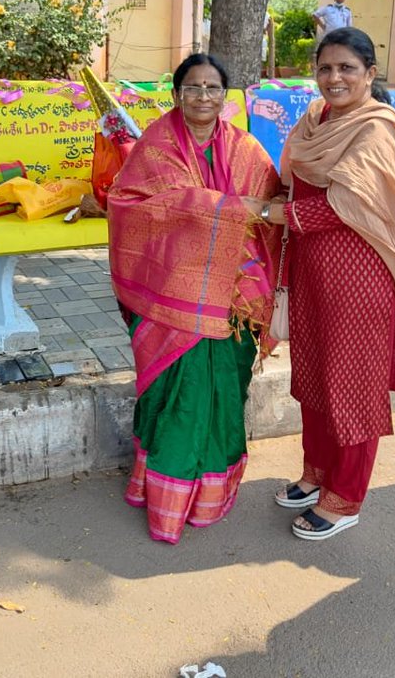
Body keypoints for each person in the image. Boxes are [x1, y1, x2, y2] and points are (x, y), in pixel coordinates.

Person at [258, 28, 395, 540]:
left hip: (360, 275)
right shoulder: (314, 120)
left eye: (347, 68)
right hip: (310, 270)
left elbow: (348, 206)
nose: (334, 78)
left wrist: (275, 213)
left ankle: (345, 497)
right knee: (312, 375)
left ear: (370, 74)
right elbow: (292, 179)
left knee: (353, 386)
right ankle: (317, 472)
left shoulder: (377, 127)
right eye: (325, 68)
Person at [108, 52, 282, 544]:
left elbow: (270, 210)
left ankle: (210, 495)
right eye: (193, 88)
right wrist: (220, 208)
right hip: (174, 298)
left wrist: (248, 214)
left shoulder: (247, 149)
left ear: (224, 97)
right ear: (177, 94)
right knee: (179, 397)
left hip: (233, 298)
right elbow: (130, 206)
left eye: (212, 88)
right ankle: (164, 500)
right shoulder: (156, 146)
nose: (203, 97)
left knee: (224, 394)